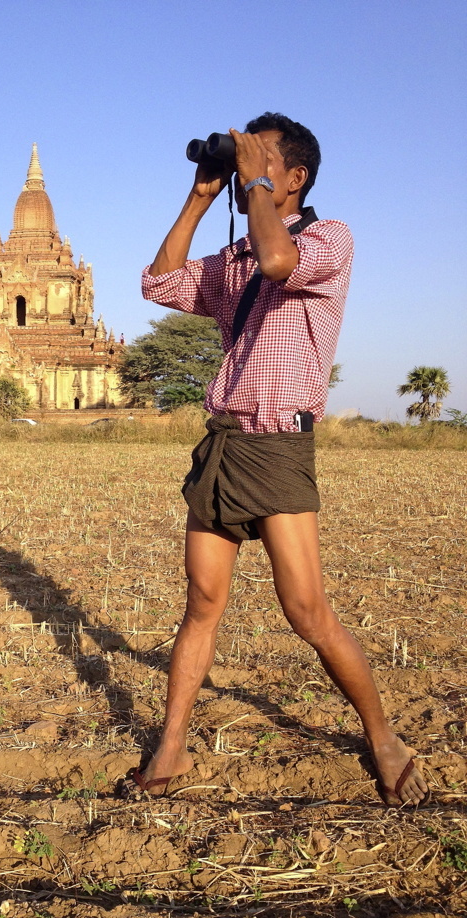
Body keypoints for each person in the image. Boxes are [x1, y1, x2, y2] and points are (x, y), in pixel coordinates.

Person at [131, 112, 428, 807]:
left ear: (295, 177)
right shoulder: (234, 259)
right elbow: (159, 282)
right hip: (224, 444)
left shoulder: (330, 239)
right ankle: (171, 747)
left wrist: (257, 179)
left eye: (263, 160)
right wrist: (204, 195)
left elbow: (278, 262)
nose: (247, 170)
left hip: (278, 447)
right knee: (201, 603)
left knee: (307, 611)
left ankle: (383, 738)